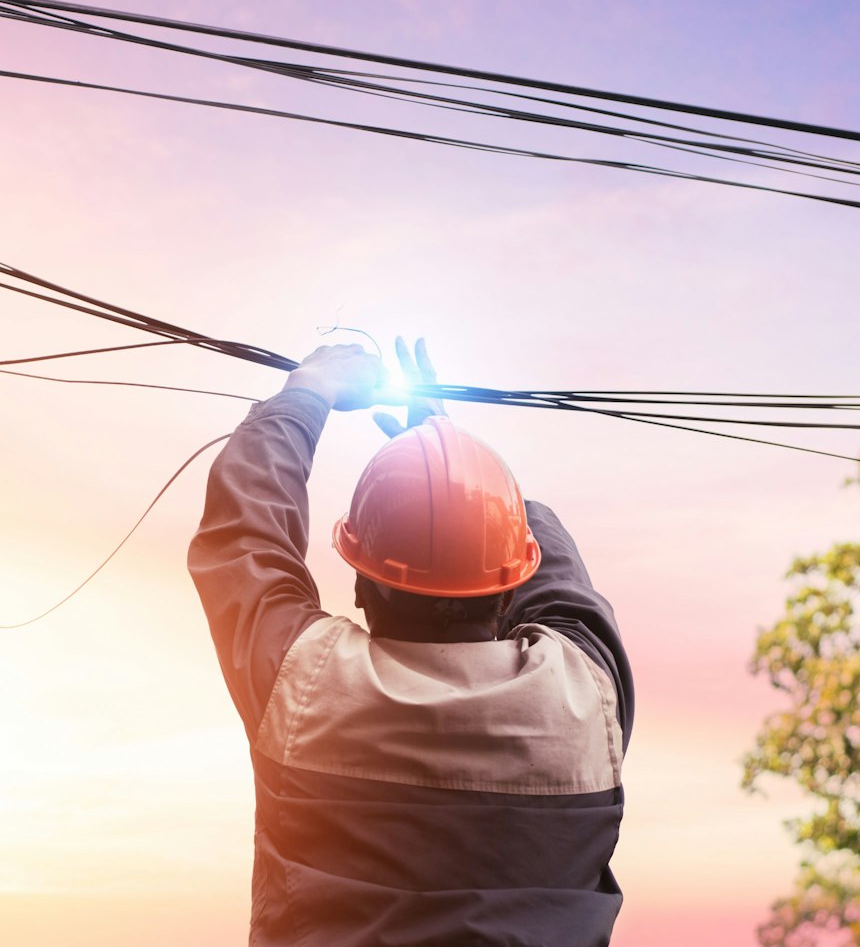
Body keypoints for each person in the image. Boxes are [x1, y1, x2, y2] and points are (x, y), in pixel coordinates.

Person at [188, 338, 635, 947]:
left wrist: (307, 394)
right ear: (509, 591)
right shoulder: (588, 700)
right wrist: (457, 460)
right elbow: (561, 583)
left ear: (360, 584)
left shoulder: (305, 682)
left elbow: (245, 537)